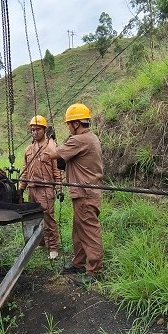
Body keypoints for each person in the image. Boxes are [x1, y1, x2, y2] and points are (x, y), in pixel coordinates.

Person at [47, 102, 104, 280]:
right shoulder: (92, 138)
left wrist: (50, 140)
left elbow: (52, 154)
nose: (69, 128)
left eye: (69, 124)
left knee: (89, 230)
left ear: (76, 124)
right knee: (79, 230)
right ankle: (78, 263)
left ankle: (93, 270)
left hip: (85, 194)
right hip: (85, 193)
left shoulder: (79, 140)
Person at [18, 115, 63, 259]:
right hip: (32, 188)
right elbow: (24, 171)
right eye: (32, 130)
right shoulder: (28, 150)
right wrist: (21, 188)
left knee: (48, 218)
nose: (34, 132)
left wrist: (59, 189)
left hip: (45, 188)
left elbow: (57, 171)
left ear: (44, 130)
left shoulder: (51, 148)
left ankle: (53, 247)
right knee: (35, 218)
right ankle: (41, 242)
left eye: (37, 129)